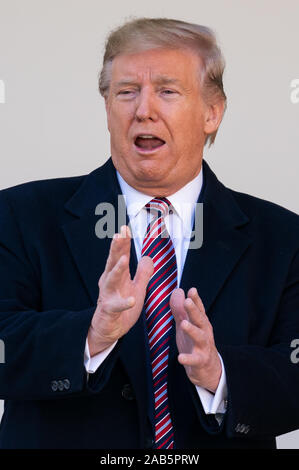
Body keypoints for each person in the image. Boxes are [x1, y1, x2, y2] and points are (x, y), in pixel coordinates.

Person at [0, 17, 299, 450]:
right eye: (126, 92)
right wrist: (91, 334)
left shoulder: (284, 238)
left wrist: (219, 374)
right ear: (107, 108)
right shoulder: (17, 215)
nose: (143, 109)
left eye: (167, 91)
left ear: (212, 113)